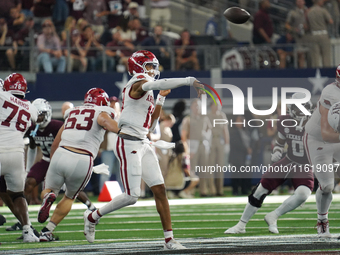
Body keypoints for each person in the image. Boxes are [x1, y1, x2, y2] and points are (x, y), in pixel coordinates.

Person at [83, 50, 204, 250]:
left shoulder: (146, 90)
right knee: (132, 196)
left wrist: (161, 100)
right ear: (138, 67)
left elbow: (151, 123)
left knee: (160, 189)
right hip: (128, 142)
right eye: (149, 65)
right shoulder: (136, 83)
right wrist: (189, 80)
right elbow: (159, 83)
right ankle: (93, 216)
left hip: (143, 141)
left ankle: (169, 240)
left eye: (153, 66)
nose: (153, 70)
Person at [37, 88, 119, 241]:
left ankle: (48, 196)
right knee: (69, 197)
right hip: (83, 157)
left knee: (48, 189)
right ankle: (48, 231)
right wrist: (127, 132)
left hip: (61, 152)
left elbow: (56, 142)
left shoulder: (72, 113)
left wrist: (54, 161)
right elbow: (109, 124)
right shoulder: (101, 113)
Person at [226, 93, 314, 234]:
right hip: (289, 160)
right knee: (260, 189)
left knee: (303, 193)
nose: (299, 112)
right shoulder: (285, 121)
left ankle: (274, 215)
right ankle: (241, 225)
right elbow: (280, 142)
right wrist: (277, 151)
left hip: (305, 164)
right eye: (296, 108)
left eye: (301, 109)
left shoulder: (315, 124)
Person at [0, 73, 39, 242]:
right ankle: (27, 231)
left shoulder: (2, 95)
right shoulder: (31, 108)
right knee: (17, 195)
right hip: (16, 154)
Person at [304, 65, 340, 238]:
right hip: (320, 139)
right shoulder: (330, 93)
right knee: (326, 186)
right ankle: (322, 220)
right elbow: (326, 133)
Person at [307, 0, 333, 68]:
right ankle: (327, 74)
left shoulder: (309, 11)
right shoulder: (323, 10)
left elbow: (307, 25)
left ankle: (316, 73)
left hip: (313, 35)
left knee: (315, 58)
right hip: (323, 34)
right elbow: (330, 21)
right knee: (326, 56)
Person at [285, 0, 309, 68]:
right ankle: (301, 71)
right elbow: (287, 25)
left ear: (304, 2)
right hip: (298, 37)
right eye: (298, 1)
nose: (300, 2)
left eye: (301, 1)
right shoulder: (292, 13)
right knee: (300, 54)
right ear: (296, 2)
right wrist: (294, 29)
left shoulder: (309, 11)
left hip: (308, 36)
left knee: (310, 55)